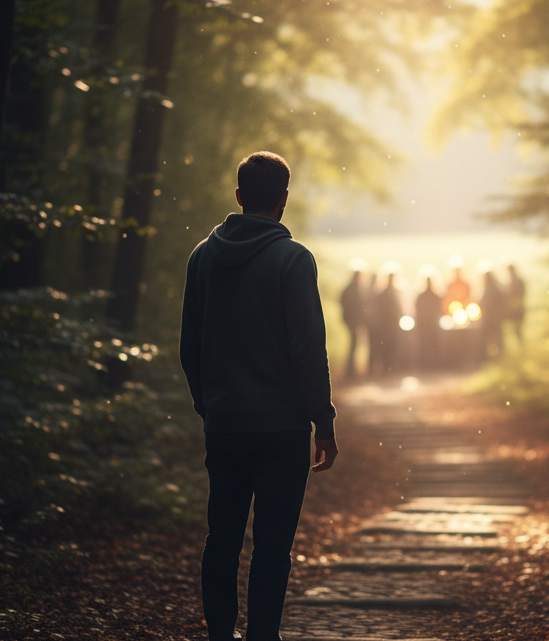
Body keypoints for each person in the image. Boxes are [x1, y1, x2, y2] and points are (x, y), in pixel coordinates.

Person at [180, 151, 338, 641]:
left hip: (225, 424)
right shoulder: (293, 259)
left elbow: (190, 346)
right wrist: (323, 423)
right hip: (282, 430)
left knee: (221, 540)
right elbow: (307, 351)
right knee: (272, 547)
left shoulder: (203, 257)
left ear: (239, 197)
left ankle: (220, 636)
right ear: (284, 201)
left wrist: (212, 406)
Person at [339, 264, 367, 379]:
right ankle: (351, 370)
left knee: (354, 344)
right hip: (353, 321)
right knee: (354, 344)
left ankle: (351, 369)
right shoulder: (354, 288)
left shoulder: (350, 288)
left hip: (352, 320)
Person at [415, 275, 443, 370]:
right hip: (426, 324)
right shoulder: (425, 296)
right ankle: (426, 365)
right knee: (426, 344)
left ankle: (432, 364)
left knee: (431, 344)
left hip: (430, 324)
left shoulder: (433, 296)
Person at [505, 263, 526, 342]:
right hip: (517, 310)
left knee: (518, 330)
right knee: (517, 331)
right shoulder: (518, 281)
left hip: (516, 310)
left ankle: (521, 348)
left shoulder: (513, 283)